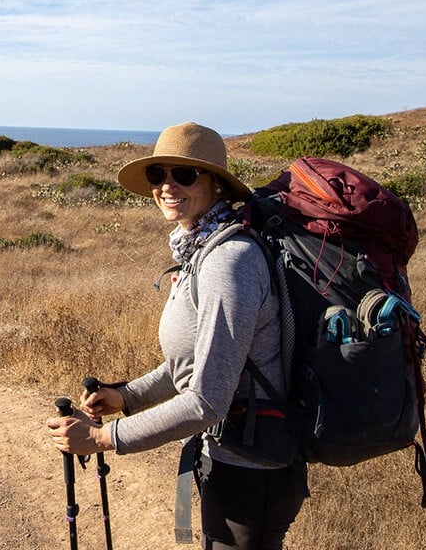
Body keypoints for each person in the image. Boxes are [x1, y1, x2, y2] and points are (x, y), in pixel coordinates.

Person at [47, 122, 307, 549]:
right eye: (158, 174)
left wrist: (100, 439)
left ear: (217, 184)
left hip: (252, 471)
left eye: (184, 175)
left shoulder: (230, 262)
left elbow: (207, 398)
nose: (167, 186)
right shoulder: (199, 251)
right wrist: (128, 396)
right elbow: (192, 362)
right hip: (225, 456)